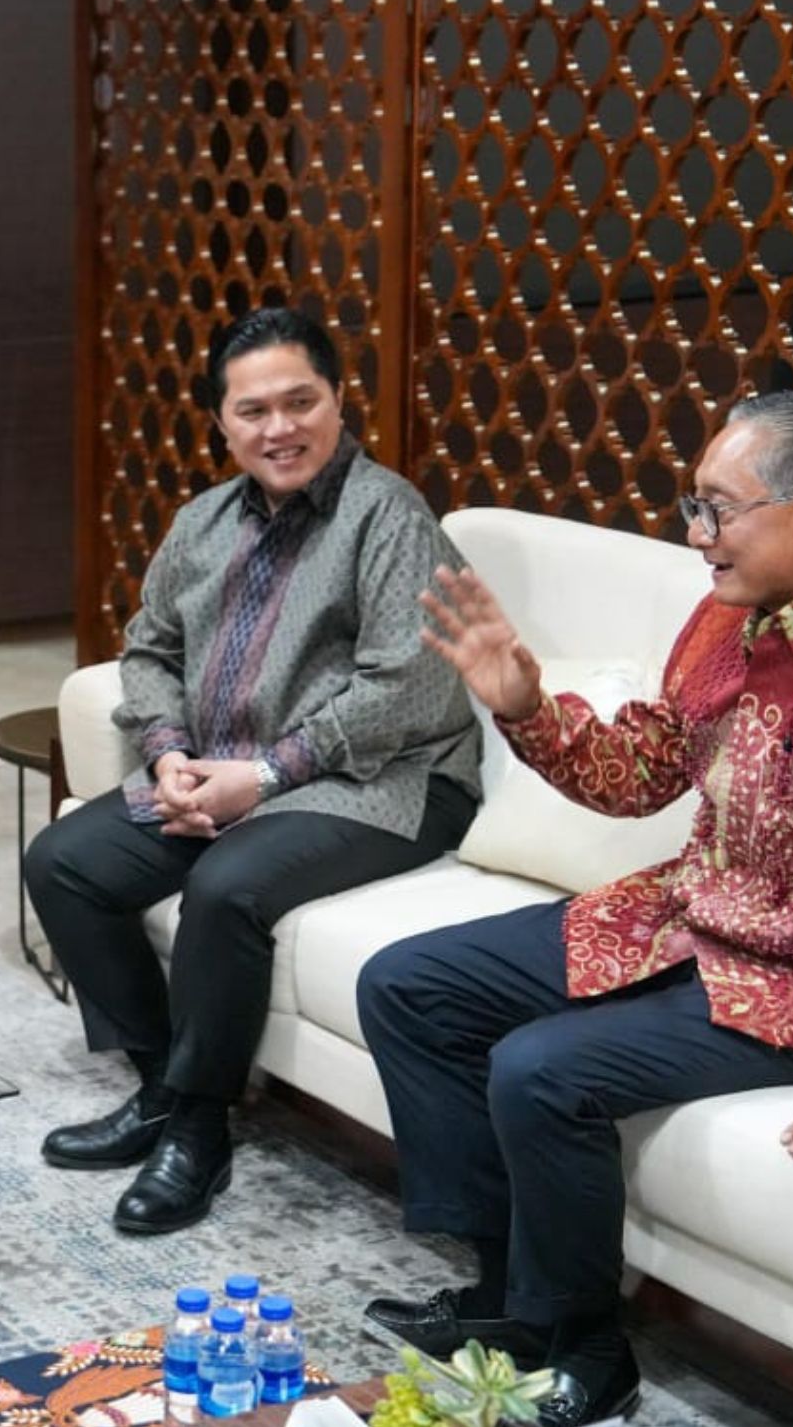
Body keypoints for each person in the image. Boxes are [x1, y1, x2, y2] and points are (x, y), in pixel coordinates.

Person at [358, 391, 793, 1427]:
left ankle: (587, 1349)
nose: (695, 534)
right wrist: (523, 706)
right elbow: (641, 771)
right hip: (686, 917)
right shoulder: (725, 612)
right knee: (408, 985)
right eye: (694, 506)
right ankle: (508, 1296)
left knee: (540, 1070)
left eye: (717, 509)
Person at [26, 306, 481, 1235]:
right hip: (230, 770)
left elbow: (404, 688)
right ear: (221, 423)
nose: (280, 428)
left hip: (387, 782)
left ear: (339, 400)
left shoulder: (388, 516)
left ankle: (199, 1130)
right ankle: (161, 1088)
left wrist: (264, 778)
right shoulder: (201, 521)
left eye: (299, 402)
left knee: (226, 885)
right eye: (253, 410)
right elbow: (148, 650)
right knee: (63, 861)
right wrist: (168, 755)